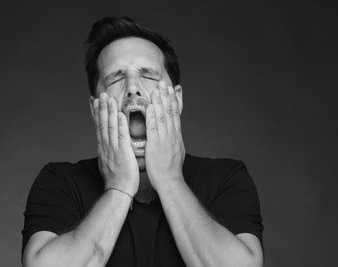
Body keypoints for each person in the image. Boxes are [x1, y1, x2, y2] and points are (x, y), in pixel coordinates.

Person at [21, 17, 264, 267]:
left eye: (148, 75)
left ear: (177, 99)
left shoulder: (226, 178)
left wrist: (170, 181)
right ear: (96, 109)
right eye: (115, 78)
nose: (132, 88)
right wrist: (119, 187)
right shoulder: (60, 181)